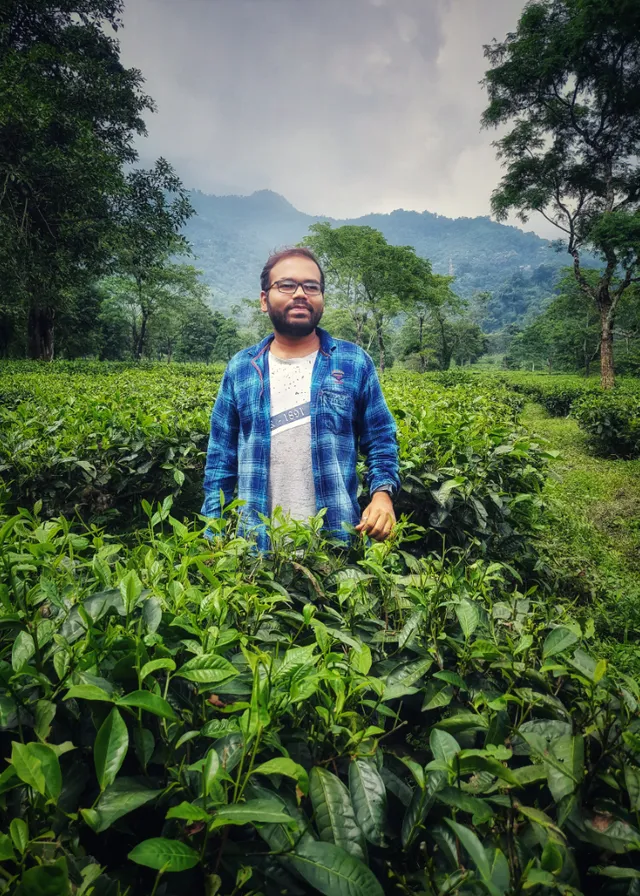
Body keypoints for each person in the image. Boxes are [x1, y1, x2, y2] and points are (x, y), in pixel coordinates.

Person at [201, 246, 400, 551]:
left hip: (336, 548)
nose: (300, 294)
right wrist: (213, 535)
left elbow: (381, 440)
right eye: (286, 285)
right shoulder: (241, 368)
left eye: (311, 287)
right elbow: (220, 459)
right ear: (264, 299)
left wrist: (382, 495)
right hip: (256, 554)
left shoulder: (353, 362)